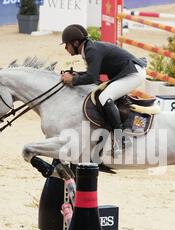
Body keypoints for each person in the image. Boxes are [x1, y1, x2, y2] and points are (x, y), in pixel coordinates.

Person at [60, 24, 147, 156]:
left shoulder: (91, 50)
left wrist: (72, 80)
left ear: (76, 42)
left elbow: (92, 77)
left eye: (67, 44)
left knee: (104, 97)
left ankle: (122, 138)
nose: (66, 48)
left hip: (133, 73)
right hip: (126, 72)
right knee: (102, 94)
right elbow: (92, 73)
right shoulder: (88, 49)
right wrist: (76, 74)